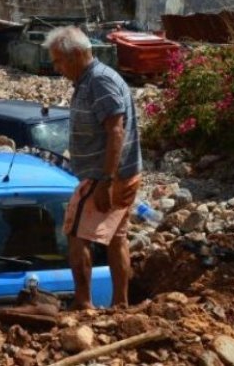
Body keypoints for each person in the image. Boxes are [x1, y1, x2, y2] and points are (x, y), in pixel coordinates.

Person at [43, 26, 142, 309]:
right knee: (116, 239)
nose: (56, 67)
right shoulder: (92, 80)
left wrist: (105, 181)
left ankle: (84, 305)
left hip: (107, 177)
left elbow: (115, 132)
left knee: (76, 237)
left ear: (74, 56)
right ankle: (120, 305)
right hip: (118, 174)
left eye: (58, 61)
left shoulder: (99, 81)